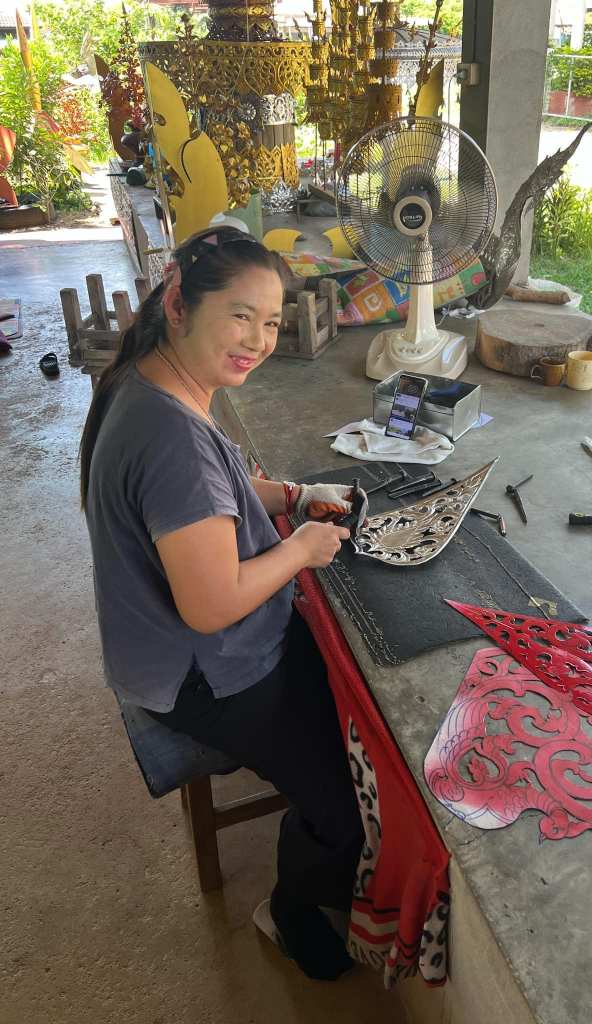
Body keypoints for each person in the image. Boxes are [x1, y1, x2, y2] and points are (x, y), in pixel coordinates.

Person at [80, 226, 365, 981]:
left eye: (270, 322)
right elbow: (209, 607)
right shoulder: (170, 436)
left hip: (175, 653)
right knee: (351, 792)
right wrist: (301, 549)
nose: (259, 341)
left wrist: (294, 495)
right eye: (241, 316)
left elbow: (220, 497)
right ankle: (291, 910)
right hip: (202, 673)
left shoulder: (151, 380)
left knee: (350, 695)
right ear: (178, 302)